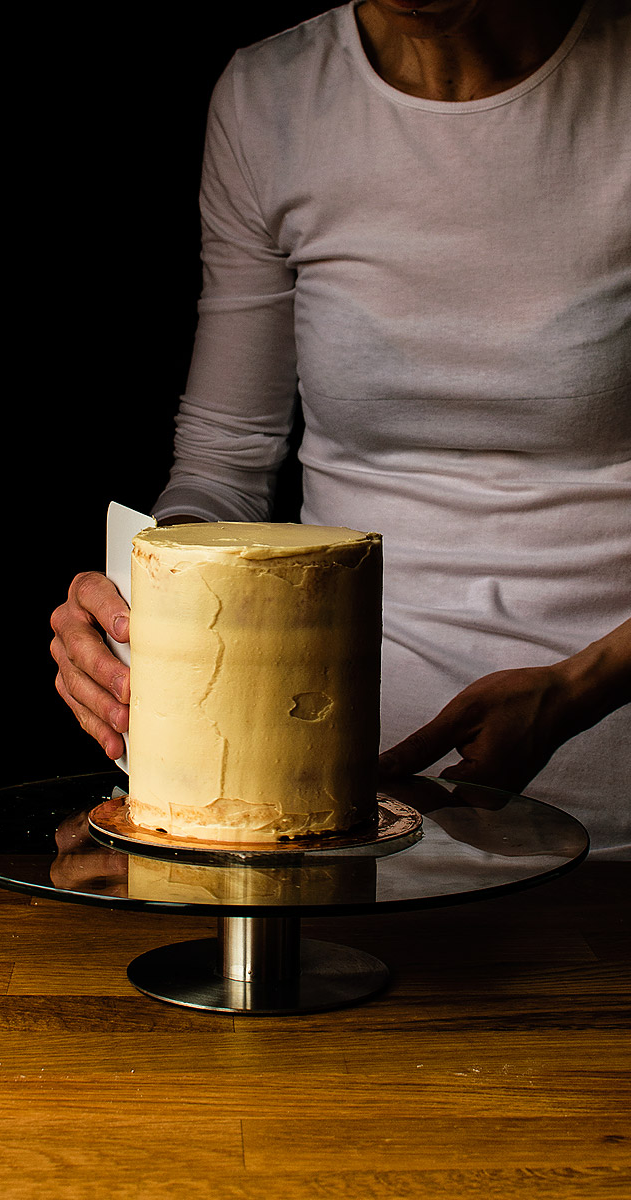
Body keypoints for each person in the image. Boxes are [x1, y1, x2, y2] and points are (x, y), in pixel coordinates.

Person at [51, 0, 631, 857]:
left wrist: (580, 689)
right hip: (318, 798)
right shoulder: (272, 97)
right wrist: (145, 608)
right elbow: (223, 459)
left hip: (604, 775)